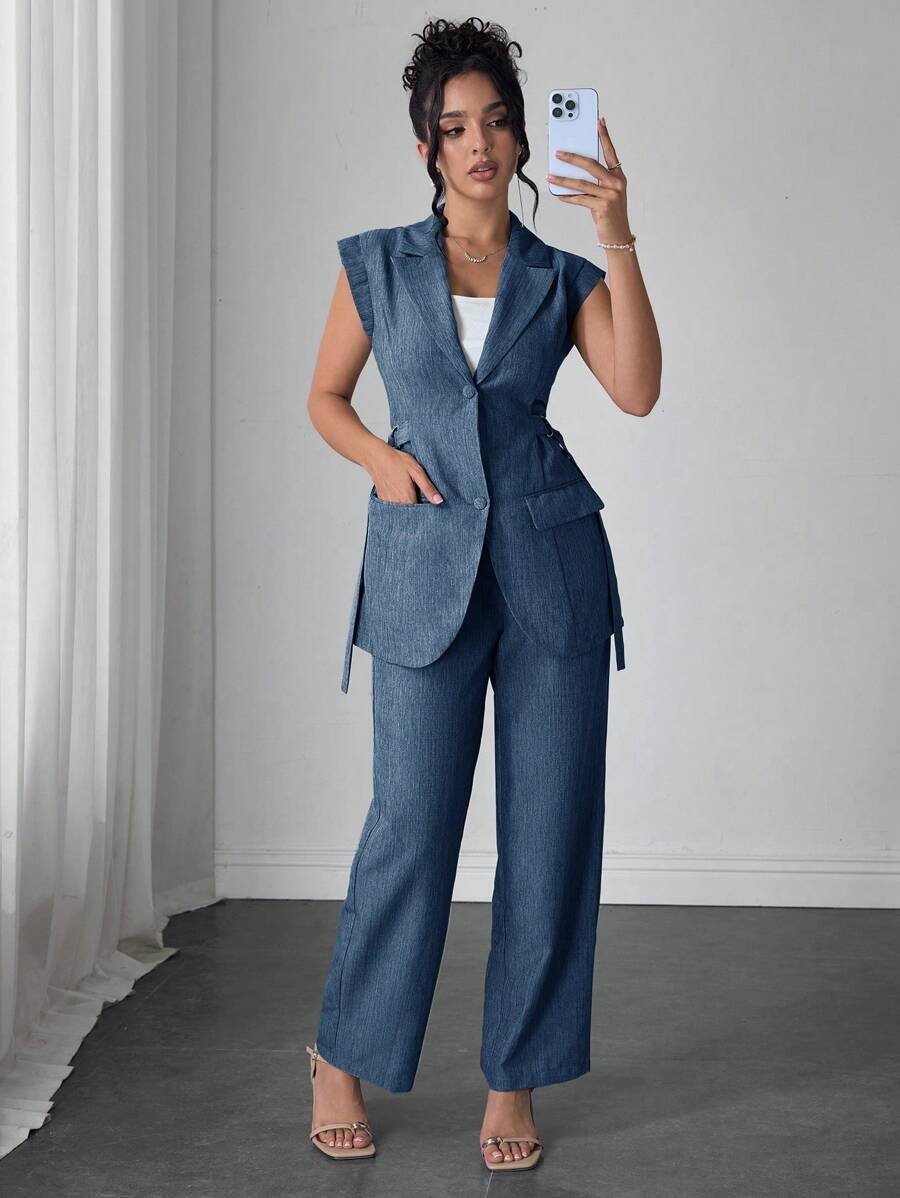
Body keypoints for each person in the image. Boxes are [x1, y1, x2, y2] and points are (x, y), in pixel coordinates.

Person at [304, 15, 660, 1171]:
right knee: (409, 827)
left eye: (497, 122)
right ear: (426, 146)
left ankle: (515, 1077)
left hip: (553, 571)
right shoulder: (376, 264)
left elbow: (637, 390)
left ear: (520, 137)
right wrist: (380, 460)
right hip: (421, 571)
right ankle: (341, 1053)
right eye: (454, 127)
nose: (479, 144)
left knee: (549, 836)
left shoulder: (560, 275)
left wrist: (617, 233)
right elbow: (325, 398)